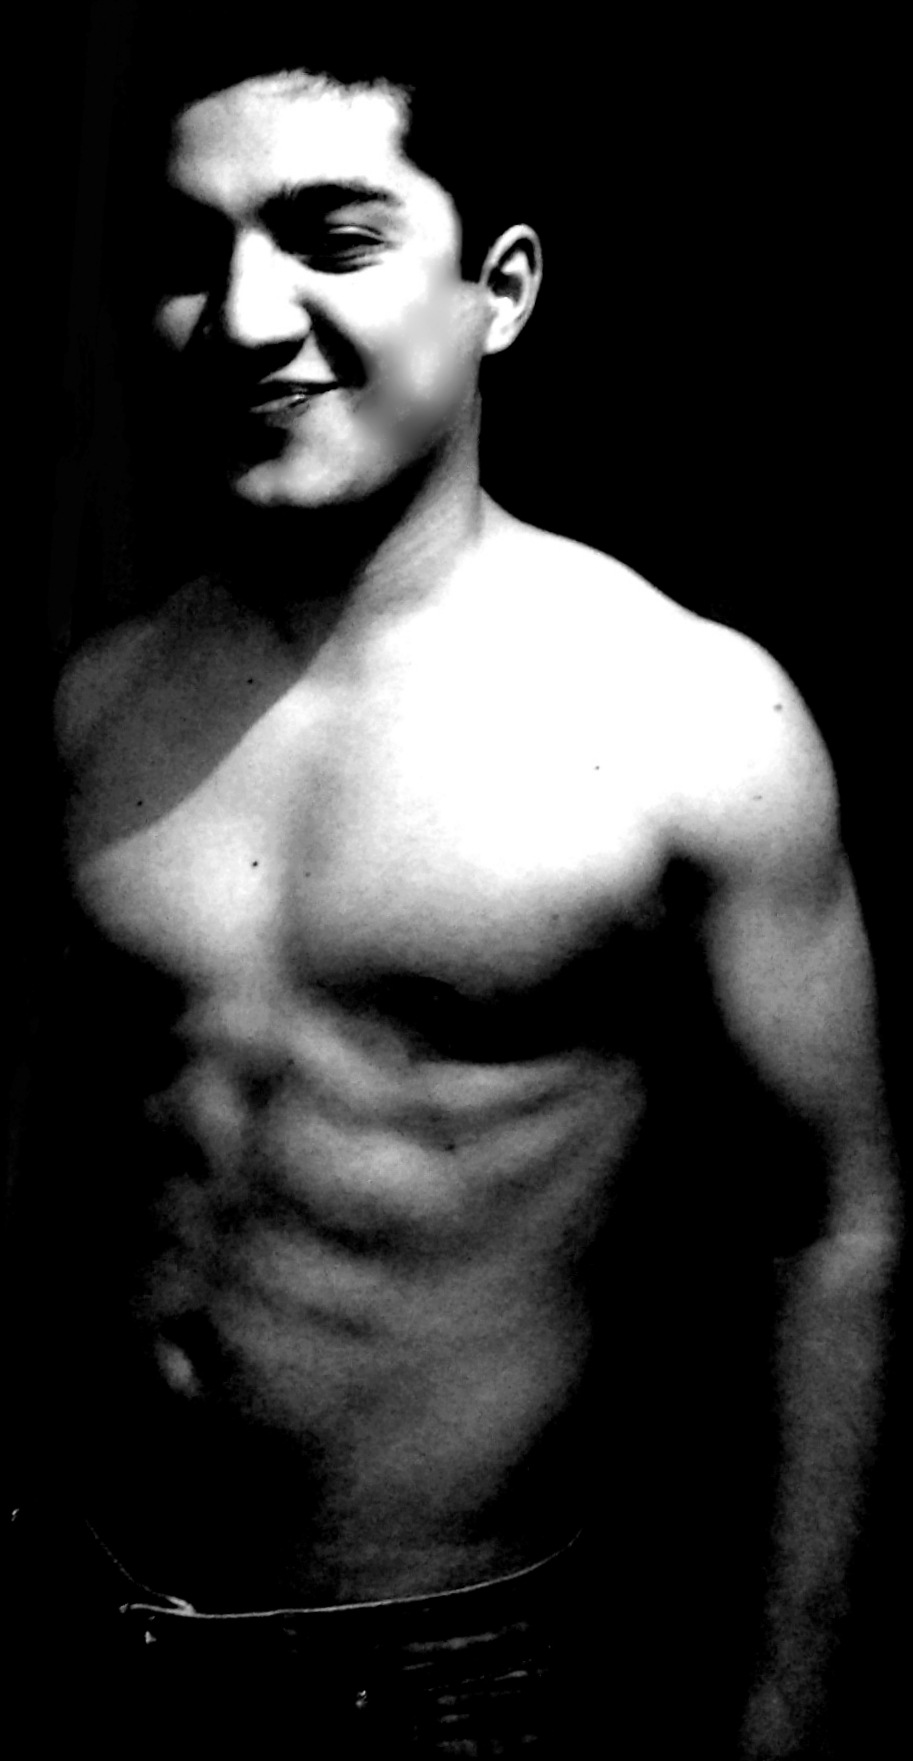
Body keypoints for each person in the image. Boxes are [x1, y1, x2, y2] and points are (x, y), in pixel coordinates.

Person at [10, 18, 901, 1758]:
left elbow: (831, 1231)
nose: (246, 317)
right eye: (194, 255)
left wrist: (784, 1713)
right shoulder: (103, 702)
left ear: (497, 289)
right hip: (93, 1630)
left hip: (449, 1686)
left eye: (331, 238)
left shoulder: (687, 722)